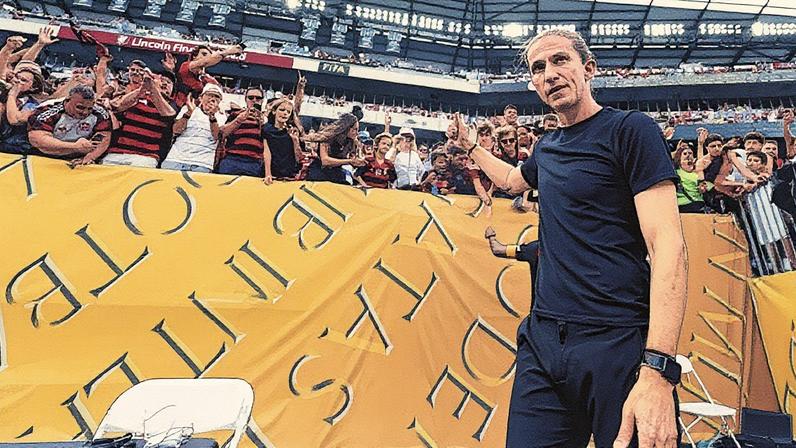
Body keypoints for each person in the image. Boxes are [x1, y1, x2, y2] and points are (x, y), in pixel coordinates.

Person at [451, 29, 686, 447]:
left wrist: (657, 369)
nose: (550, 74)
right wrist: (471, 147)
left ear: (588, 68)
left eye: (561, 61)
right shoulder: (546, 147)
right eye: (538, 68)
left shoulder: (630, 130)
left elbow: (667, 245)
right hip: (543, 343)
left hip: (618, 342)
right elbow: (510, 180)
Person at [102, 67, 177, 168]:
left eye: (169, 83)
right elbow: (117, 105)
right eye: (162, 80)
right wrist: (142, 89)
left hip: (145, 157)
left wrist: (153, 89)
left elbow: (169, 115)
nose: (165, 84)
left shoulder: (171, 105)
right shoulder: (136, 97)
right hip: (117, 153)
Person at [28, 84, 112, 164]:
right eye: (80, 107)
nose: (85, 112)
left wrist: (90, 157)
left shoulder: (100, 113)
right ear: (67, 100)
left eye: (90, 108)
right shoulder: (47, 110)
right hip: (43, 156)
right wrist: (74, 146)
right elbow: (38, 140)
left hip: (78, 156)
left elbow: (104, 137)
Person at [162, 83, 226, 173]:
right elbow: (176, 130)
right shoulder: (188, 109)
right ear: (201, 97)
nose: (212, 98)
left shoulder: (221, 116)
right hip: (175, 159)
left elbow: (216, 136)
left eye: (217, 96)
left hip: (202, 163)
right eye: (209, 95)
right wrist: (189, 113)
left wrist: (212, 117)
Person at [217, 87, 266, 177]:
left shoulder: (266, 118)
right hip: (232, 159)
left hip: (253, 162)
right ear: (245, 99)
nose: (254, 100)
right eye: (251, 98)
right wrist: (238, 120)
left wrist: (262, 124)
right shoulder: (236, 114)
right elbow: (222, 134)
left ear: (262, 100)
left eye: (258, 98)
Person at [175, 44, 242, 107]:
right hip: (177, 106)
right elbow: (205, 61)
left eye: (208, 56)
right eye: (204, 54)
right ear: (194, 56)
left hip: (195, 110)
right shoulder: (186, 65)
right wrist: (228, 51)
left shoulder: (206, 78)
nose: (207, 57)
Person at [305, 113, 363, 184]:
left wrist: (358, 162)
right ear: (346, 128)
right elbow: (325, 161)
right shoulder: (327, 138)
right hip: (320, 171)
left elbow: (353, 158)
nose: (357, 133)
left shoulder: (351, 142)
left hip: (337, 172)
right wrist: (349, 161)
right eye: (355, 129)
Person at [2, 61, 45, 154]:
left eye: (23, 80)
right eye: (17, 77)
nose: (17, 81)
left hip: (15, 148)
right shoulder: (2, 93)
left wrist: (12, 94)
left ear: (33, 86)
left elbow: (14, 120)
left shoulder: (34, 105)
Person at [263, 97, 303, 182]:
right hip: (272, 174)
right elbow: (267, 153)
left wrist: (295, 140)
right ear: (274, 111)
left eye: (288, 112)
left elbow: (299, 157)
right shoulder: (266, 129)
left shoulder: (293, 131)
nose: (285, 113)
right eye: (282, 110)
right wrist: (268, 174)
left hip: (290, 175)